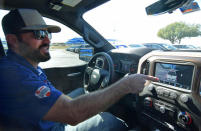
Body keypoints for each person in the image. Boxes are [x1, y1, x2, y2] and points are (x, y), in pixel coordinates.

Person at [0, 9, 159, 131]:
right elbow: (72, 114)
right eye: (39, 33)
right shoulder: (13, 75)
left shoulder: (26, 65)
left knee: (81, 92)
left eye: (48, 33)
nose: (48, 40)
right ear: (13, 41)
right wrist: (126, 84)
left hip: (45, 120)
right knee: (109, 120)